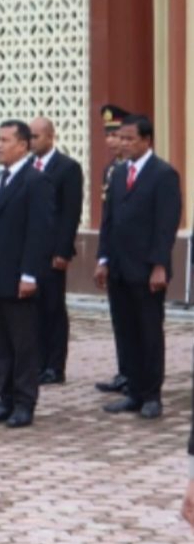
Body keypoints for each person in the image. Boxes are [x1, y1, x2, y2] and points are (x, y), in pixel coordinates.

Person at [95, 114, 181, 419]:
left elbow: (166, 226)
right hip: (117, 267)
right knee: (125, 331)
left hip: (146, 271)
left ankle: (151, 395)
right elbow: (108, 222)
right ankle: (132, 390)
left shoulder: (163, 174)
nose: (123, 143)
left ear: (147, 140)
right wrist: (102, 259)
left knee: (148, 332)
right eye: (121, 137)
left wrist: (159, 265)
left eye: (130, 138)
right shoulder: (117, 174)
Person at [0, 120, 53, 429]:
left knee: (23, 343)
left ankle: (24, 402)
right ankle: (3, 398)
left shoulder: (35, 181)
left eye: (5, 140)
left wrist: (30, 275)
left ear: (23, 145)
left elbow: (38, 232)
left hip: (18, 276)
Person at [28, 117, 84, 386]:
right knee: (32, 309)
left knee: (52, 308)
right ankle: (37, 361)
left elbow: (70, 213)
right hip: (29, 251)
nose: (31, 142)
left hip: (52, 252)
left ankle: (54, 365)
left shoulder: (67, 168)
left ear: (50, 137)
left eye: (36, 136)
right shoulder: (26, 166)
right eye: (28, 137)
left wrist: (62, 251)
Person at [94, 104, 133, 395]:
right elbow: (107, 219)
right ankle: (125, 370)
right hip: (115, 258)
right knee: (120, 320)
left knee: (139, 323)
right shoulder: (110, 171)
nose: (111, 141)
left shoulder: (143, 169)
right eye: (109, 135)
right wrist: (102, 256)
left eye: (117, 135)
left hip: (137, 259)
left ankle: (139, 375)